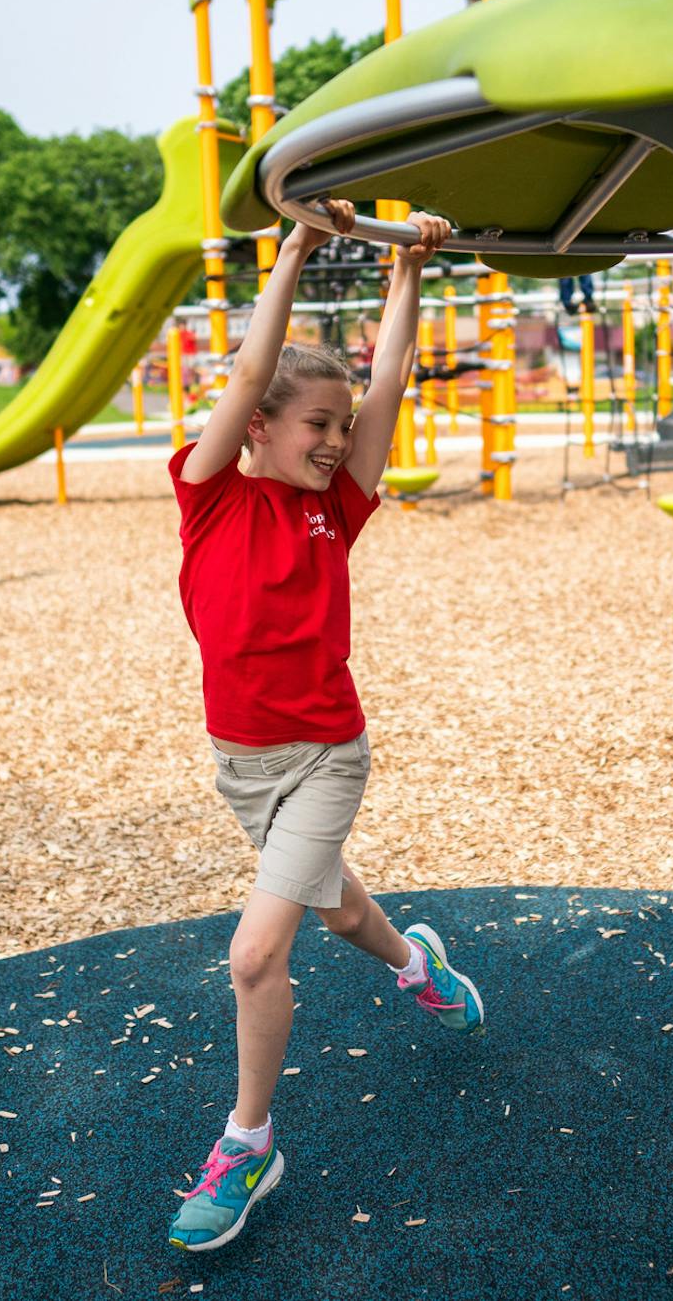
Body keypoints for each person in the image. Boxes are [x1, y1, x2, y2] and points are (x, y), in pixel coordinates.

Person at [166, 200, 484, 1253]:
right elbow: (252, 374)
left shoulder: (331, 507)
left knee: (258, 954)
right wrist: (297, 245)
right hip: (241, 764)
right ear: (257, 426)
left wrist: (406, 274)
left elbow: (384, 388)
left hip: (325, 754)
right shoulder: (211, 493)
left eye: (341, 431)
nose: (337, 441)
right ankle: (415, 964)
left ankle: (247, 1141)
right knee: (339, 907)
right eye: (317, 426)